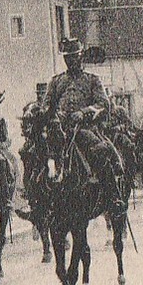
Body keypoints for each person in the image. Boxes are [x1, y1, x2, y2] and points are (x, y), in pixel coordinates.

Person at [38, 37, 126, 212]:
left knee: (102, 151)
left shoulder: (92, 80)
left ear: (80, 58)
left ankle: (113, 197)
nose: (70, 61)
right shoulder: (56, 81)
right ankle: (38, 201)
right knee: (37, 153)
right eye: (67, 58)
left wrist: (84, 113)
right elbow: (46, 104)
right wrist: (51, 113)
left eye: (74, 57)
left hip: (85, 128)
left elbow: (104, 105)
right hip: (60, 128)